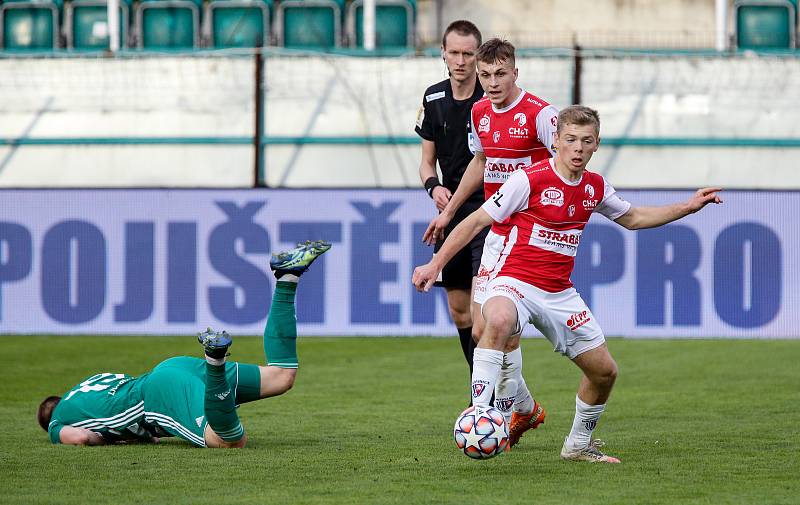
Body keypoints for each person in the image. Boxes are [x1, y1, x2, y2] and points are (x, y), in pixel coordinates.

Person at [413, 105, 723, 463]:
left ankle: (577, 445)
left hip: (559, 292)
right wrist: (436, 263)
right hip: (514, 281)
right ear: (556, 140)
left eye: (586, 141)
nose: (577, 148)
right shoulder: (529, 179)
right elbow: (478, 220)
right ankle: (482, 414)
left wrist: (687, 206)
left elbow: (634, 217)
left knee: (604, 372)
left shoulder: (594, 187)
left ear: (596, 145)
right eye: (571, 139)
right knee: (495, 321)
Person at [37, 240, 332, 448]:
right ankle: (287, 277)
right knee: (281, 376)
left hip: (160, 394)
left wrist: (109, 438)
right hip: (172, 368)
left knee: (229, 442)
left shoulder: (57, 422)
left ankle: (215, 360)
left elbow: (80, 438)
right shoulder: (91, 382)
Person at [422, 38, 558, 443]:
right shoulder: (480, 112)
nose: (493, 82)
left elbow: (566, 164)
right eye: (487, 75)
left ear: (516, 71)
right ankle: (524, 409)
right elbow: (481, 162)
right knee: (487, 330)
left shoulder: (542, 115)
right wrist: (447, 211)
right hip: (497, 232)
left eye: (501, 74)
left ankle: (498, 416)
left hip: (529, 234)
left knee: (496, 326)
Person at [415, 19, 485, 392]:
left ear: (478, 56)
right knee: (459, 310)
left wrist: (449, 206)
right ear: (443, 53)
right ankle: (481, 387)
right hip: (450, 213)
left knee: (483, 312)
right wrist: (433, 187)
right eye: (453, 52)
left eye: (467, 53)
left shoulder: (489, 102)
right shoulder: (433, 98)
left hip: (487, 212)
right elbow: (427, 161)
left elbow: (485, 162)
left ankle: (489, 398)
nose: (460, 60)